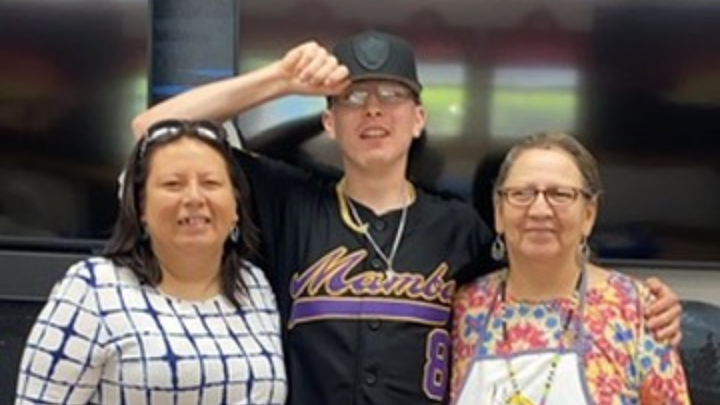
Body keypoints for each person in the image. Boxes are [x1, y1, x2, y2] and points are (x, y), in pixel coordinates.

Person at [131, 31, 683, 405]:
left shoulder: (461, 228)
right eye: (353, 97)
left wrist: (642, 305)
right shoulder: (286, 202)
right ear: (329, 122)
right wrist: (281, 79)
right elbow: (152, 131)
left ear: (418, 119)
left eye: (391, 95)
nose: (373, 108)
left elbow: (544, 259)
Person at [15, 120, 287, 405]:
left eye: (211, 183)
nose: (194, 198)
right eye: (173, 184)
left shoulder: (254, 286)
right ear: (140, 207)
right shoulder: (94, 289)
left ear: (236, 206)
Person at [451, 132, 690, 405]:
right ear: (499, 212)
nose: (539, 210)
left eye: (560, 194)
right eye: (521, 194)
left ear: (588, 214)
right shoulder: (464, 309)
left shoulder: (637, 311)